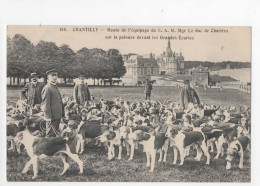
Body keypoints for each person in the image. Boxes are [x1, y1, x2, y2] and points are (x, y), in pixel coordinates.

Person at [41, 69, 64, 137]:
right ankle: (48, 147)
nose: (55, 77)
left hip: (57, 115)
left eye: (56, 75)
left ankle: (53, 147)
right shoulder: (47, 88)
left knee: (55, 134)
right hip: (51, 116)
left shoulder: (54, 87)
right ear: (48, 77)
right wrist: (48, 117)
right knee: (50, 135)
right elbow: (45, 104)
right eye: (53, 75)